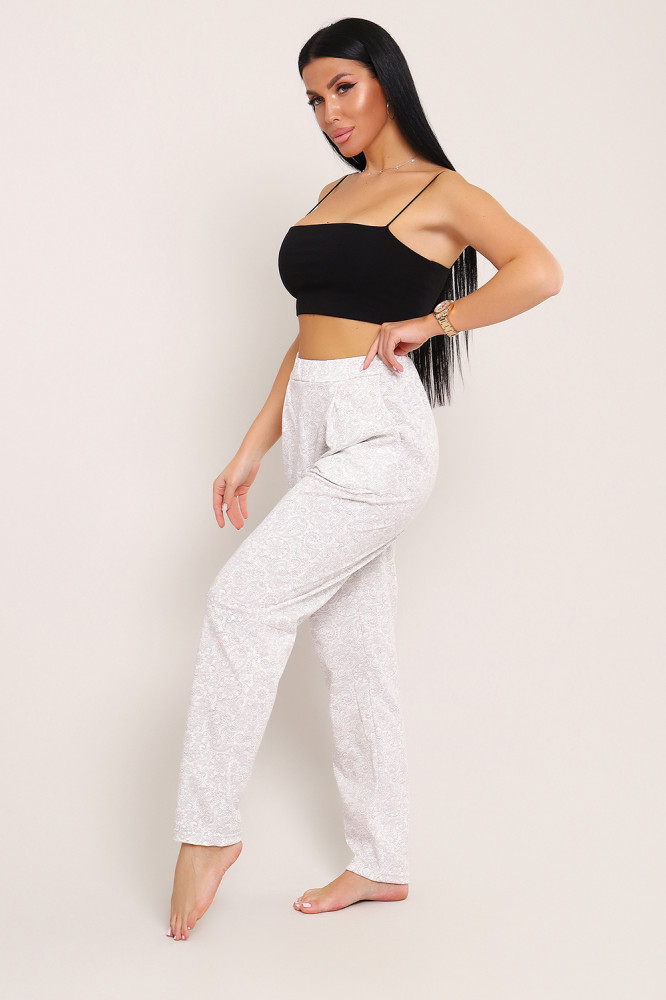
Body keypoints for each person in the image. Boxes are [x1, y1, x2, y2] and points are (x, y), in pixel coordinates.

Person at [167, 16, 563, 940]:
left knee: (241, 603)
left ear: (386, 80)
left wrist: (435, 321)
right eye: (313, 98)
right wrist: (253, 445)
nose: (328, 113)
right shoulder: (333, 192)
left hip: (379, 431)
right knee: (355, 653)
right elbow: (311, 328)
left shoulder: (443, 192)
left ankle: (208, 831)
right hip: (312, 418)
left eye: (342, 87)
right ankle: (380, 861)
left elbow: (540, 271)